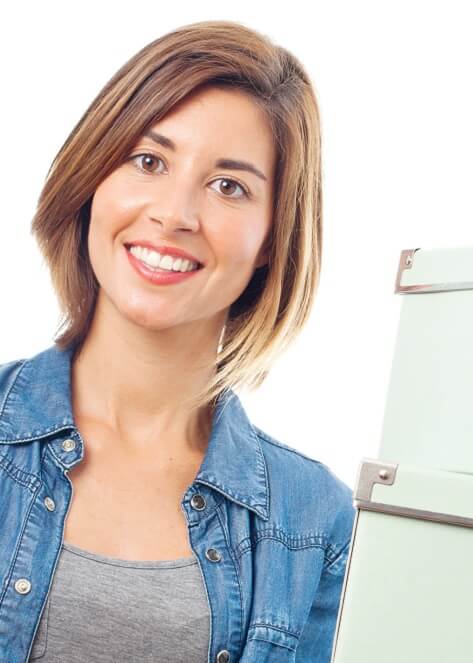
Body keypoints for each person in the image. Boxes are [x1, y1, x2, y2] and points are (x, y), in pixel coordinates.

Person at [0, 20, 355, 663]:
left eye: (229, 186)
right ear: (92, 180)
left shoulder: (313, 524)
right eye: (148, 161)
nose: (174, 214)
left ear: (272, 237)